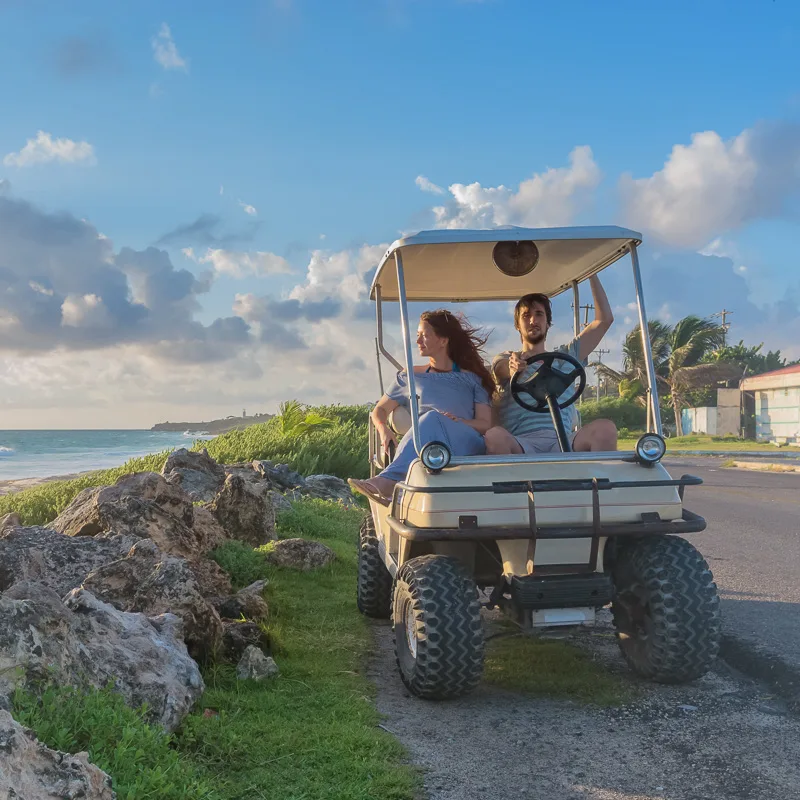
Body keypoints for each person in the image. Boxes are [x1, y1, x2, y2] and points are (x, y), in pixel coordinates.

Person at [348, 309, 494, 505]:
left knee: (432, 418)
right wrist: (383, 430)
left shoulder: (472, 379)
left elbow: (485, 425)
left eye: (424, 335)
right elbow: (379, 410)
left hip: (466, 443)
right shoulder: (410, 376)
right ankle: (396, 484)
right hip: (428, 446)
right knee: (430, 420)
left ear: (443, 340)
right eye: (417, 335)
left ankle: (389, 481)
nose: (417, 341)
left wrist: (456, 421)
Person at [484, 275, 618, 454]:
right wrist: (513, 368)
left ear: (548, 323)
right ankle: (512, 482)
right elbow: (502, 369)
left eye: (539, 314)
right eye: (526, 316)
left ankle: (597, 481)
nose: (533, 320)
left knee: (605, 429)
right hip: (522, 443)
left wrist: (591, 272)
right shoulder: (509, 358)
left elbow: (604, 320)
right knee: (494, 436)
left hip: (562, 440)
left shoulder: (568, 355)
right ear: (518, 325)